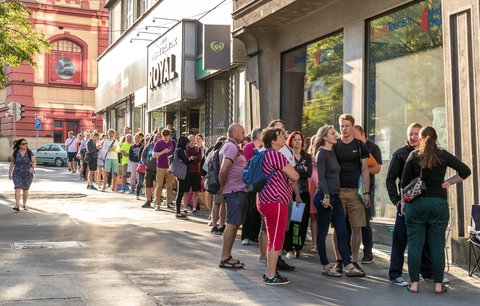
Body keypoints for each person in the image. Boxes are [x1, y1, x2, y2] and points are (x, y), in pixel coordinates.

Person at [401, 126, 470, 293]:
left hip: (416, 205)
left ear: (422, 137)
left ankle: (415, 284)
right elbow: (466, 171)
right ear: (436, 138)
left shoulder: (414, 155)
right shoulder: (443, 154)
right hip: (439, 203)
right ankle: (438, 285)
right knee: (437, 246)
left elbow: (404, 184)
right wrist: (449, 182)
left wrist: (403, 203)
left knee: (415, 245)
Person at [386, 122, 436, 286]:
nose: (413, 137)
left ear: (422, 137)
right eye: (411, 134)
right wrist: (396, 201)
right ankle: (395, 274)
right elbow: (390, 180)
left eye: (416, 134)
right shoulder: (400, 154)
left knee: (425, 240)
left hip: (423, 205)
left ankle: (427, 272)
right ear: (407, 136)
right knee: (400, 240)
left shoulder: (426, 154)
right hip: (405, 205)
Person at [313, 125, 365, 277]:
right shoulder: (321, 153)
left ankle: (348, 265)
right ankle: (325, 265)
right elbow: (321, 177)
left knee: (342, 231)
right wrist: (326, 196)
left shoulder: (332, 152)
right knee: (322, 233)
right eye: (332, 133)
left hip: (336, 197)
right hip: (325, 198)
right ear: (324, 137)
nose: (335, 135)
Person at [257, 127, 299, 285]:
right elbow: (295, 175)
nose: (283, 138)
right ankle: (271, 275)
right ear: (272, 140)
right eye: (280, 136)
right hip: (277, 201)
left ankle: (269, 271)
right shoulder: (277, 155)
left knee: (271, 238)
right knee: (276, 239)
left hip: (264, 200)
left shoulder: (262, 154)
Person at [333, 114, 370, 275]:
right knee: (338, 228)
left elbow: (365, 170)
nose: (344, 128)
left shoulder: (360, 145)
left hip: (356, 192)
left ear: (353, 127)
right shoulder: (335, 145)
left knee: (357, 227)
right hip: (338, 192)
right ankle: (339, 261)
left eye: (347, 125)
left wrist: (367, 192)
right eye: (342, 125)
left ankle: (354, 261)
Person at [218, 123, 248, 269]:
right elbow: (223, 170)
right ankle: (225, 258)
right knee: (232, 223)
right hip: (234, 191)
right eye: (241, 132)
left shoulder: (231, 146)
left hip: (235, 190)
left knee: (234, 223)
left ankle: (227, 256)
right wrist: (224, 186)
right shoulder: (231, 147)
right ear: (233, 133)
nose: (244, 134)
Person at [353, 125, 382, 264]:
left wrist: (362, 170)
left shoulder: (373, 148)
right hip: (350, 188)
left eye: (356, 136)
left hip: (365, 189)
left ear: (363, 135)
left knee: (365, 223)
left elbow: (377, 168)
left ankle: (367, 253)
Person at [284, 131, 312, 259]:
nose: (297, 141)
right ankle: (288, 247)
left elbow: (309, 173)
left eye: (299, 139)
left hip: (304, 192)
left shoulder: (307, 156)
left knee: (302, 222)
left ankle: (298, 247)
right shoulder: (287, 155)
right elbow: (288, 173)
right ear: (291, 141)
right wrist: (301, 169)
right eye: (294, 139)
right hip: (290, 193)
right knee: (291, 221)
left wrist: (295, 171)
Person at [241, 128, 263, 245]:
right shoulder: (249, 147)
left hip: (261, 183)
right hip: (252, 183)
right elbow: (247, 165)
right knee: (250, 209)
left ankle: (254, 234)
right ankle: (246, 235)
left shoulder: (262, 147)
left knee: (257, 211)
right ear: (258, 136)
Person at [207, 136, 228, 235]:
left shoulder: (213, 152)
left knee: (219, 203)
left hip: (216, 181)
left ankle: (218, 225)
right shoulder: (221, 153)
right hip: (220, 181)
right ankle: (217, 225)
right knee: (219, 203)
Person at [9, 139, 36, 211]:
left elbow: (34, 161)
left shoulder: (29, 152)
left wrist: (32, 168)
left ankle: (24, 205)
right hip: (17, 173)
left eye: (26, 143)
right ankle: (17, 205)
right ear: (19, 145)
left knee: (25, 190)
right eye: (23, 144)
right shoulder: (16, 152)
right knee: (17, 188)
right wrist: (10, 173)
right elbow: (12, 163)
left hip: (27, 174)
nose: (26, 145)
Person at [153, 128, 176, 210]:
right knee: (159, 185)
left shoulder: (173, 142)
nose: (166, 138)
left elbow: (175, 153)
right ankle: (157, 203)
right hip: (160, 167)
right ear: (162, 136)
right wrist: (164, 151)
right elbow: (154, 155)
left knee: (170, 186)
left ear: (170, 135)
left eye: (168, 136)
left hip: (170, 167)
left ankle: (169, 202)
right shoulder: (158, 143)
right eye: (164, 137)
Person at [183, 134, 202, 214]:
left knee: (195, 192)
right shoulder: (185, 149)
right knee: (186, 191)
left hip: (196, 172)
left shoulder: (198, 149)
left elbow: (198, 159)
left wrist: (191, 159)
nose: (192, 142)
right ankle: (185, 208)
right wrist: (190, 159)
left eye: (194, 140)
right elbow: (185, 160)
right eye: (190, 140)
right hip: (186, 173)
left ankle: (194, 208)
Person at [173, 136, 191, 218]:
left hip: (181, 173)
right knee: (180, 193)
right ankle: (178, 212)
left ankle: (178, 211)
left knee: (180, 193)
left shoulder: (178, 150)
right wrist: (191, 158)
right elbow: (187, 161)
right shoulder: (180, 151)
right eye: (187, 143)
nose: (187, 145)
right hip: (182, 174)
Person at [142, 133, 161, 208]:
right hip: (149, 169)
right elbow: (143, 155)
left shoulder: (161, 146)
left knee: (158, 186)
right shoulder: (149, 146)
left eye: (159, 137)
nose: (157, 138)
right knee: (148, 185)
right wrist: (145, 163)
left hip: (158, 169)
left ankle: (156, 201)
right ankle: (148, 201)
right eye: (156, 136)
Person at [307, 135, 318, 253]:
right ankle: (315, 243)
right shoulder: (309, 157)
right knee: (313, 217)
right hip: (311, 187)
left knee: (322, 218)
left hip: (321, 186)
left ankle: (319, 242)